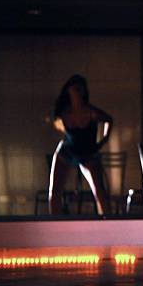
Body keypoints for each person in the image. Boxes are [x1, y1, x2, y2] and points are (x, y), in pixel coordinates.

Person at [49, 74, 113, 215]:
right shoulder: (64, 113)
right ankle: (55, 226)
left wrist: (104, 140)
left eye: (80, 89)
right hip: (67, 152)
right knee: (54, 193)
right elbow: (56, 123)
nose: (78, 92)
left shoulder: (91, 112)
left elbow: (109, 120)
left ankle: (109, 224)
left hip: (88, 154)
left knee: (99, 192)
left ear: (84, 91)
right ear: (69, 91)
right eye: (75, 88)